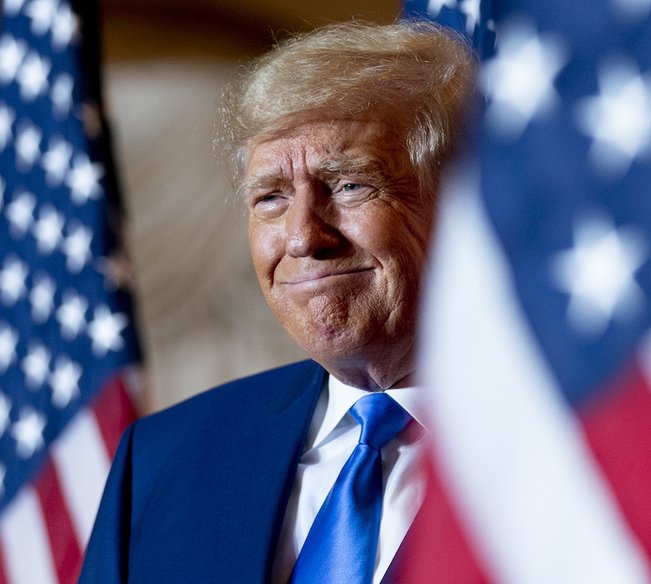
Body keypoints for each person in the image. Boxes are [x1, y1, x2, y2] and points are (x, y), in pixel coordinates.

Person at [78, 20, 475, 584]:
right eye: (270, 197)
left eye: (350, 185)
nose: (301, 237)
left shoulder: (584, 448)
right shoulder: (163, 460)